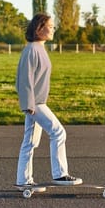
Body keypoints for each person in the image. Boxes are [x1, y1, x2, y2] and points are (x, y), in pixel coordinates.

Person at [15, 13, 83, 188]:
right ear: (39, 28)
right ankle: (60, 174)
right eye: (50, 26)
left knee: (30, 142)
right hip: (35, 104)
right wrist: (28, 105)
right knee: (58, 132)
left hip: (37, 102)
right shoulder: (31, 50)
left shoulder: (39, 48)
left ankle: (24, 180)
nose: (53, 29)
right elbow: (24, 80)